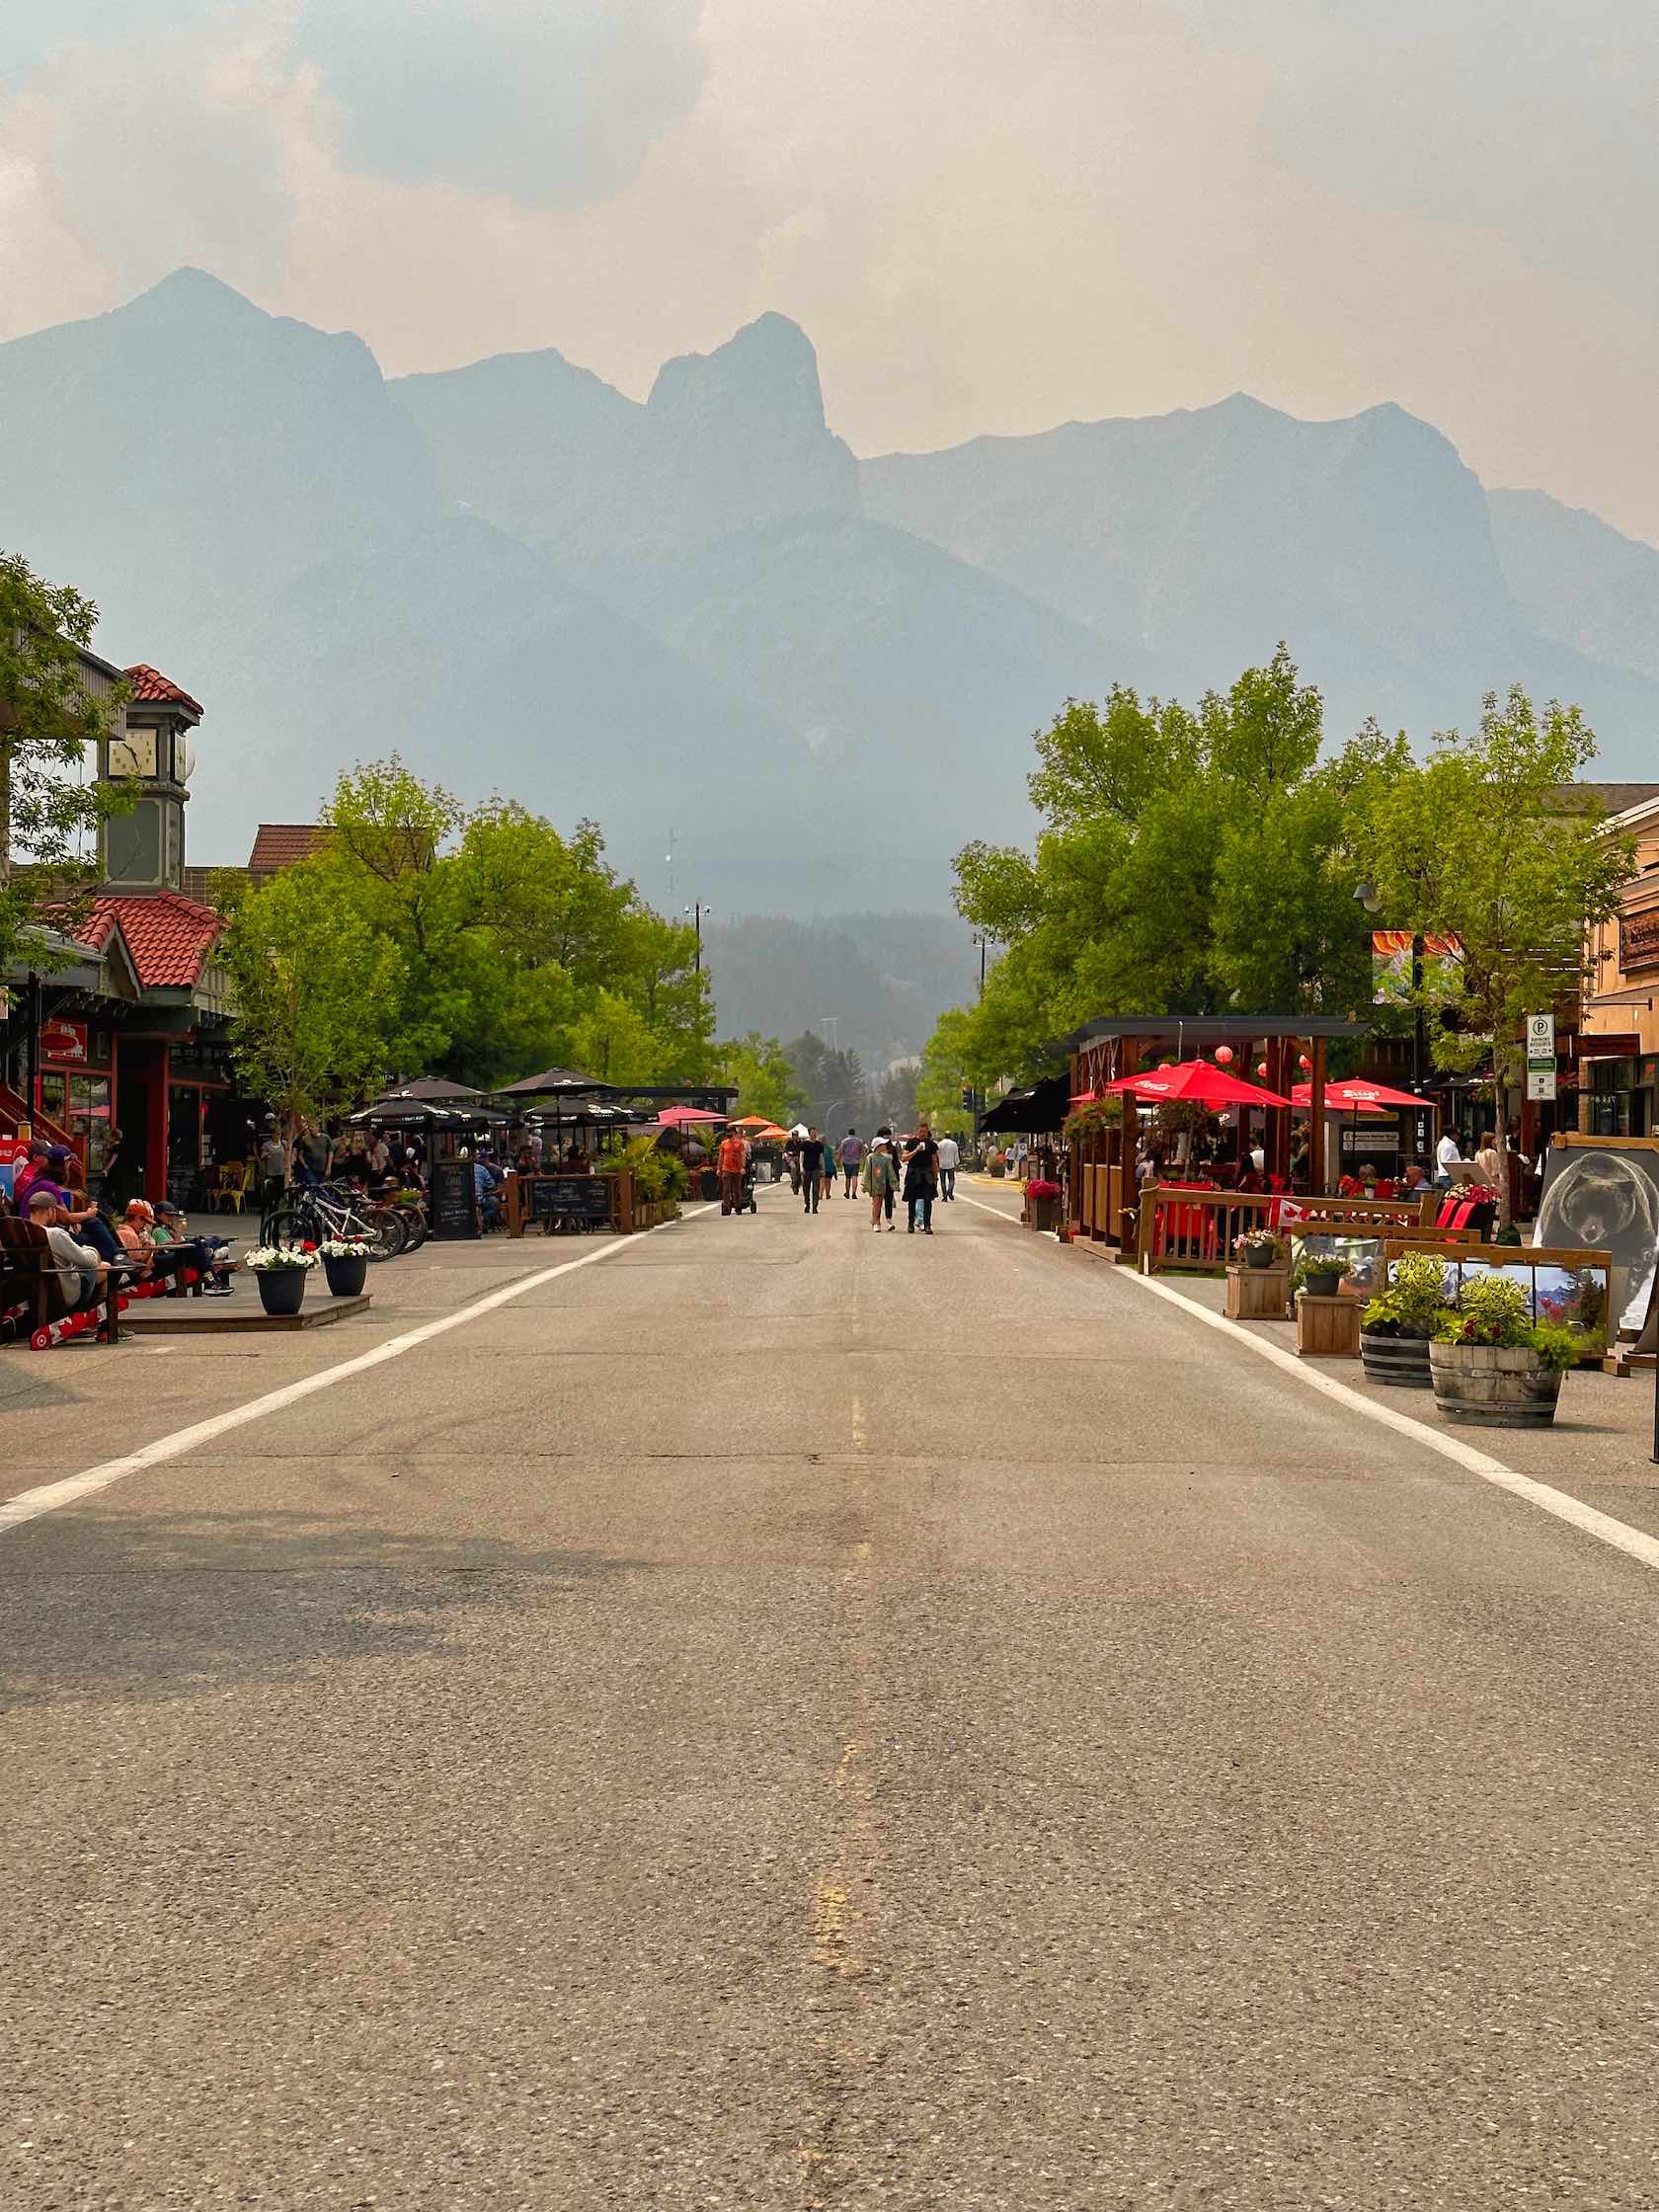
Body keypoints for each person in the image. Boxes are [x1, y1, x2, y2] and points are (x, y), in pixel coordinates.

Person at [26, 1188, 104, 1312]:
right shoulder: (55, 1234)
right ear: (51, 1211)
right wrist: (91, 1250)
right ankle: (92, 1322)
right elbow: (89, 1262)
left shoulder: (20, 1234)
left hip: (32, 1295)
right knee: (105, 1267)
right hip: (63, 1295)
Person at [903, 1121, 941, 1235]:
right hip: (914, 1173)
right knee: (912, 1200)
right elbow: (904, 1158)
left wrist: (936, 1176)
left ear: (927, 1131)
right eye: (921, 1131)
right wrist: (916, 1150)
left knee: (928, 1200)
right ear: (917, 1131)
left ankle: (928, 1225)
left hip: (927, 1174)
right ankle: (910, 1223)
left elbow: (934, 1161)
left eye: (925, 1131)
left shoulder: (932, 1144)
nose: (923, 1133)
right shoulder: (911, 1142)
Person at [860, 1137, 898, 1231]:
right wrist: (865, 1184)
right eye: (883, 1144)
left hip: (883, 1184)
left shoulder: (886, 1158)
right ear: (878, 1146)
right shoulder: (870, 1157)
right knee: (877, 1202)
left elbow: (890, 1172)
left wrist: (894, 1183)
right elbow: (867, 1171)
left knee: (879, 1203)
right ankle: (876, 1222)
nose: (885, 1146)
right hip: (874, 1183)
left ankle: (874, 1219)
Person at [716, 1127, 749, 1216]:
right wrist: (718, 1168)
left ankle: (738, 1207)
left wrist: (743, 1167)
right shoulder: (724, 1144)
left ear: (734, 1133)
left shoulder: (740, 1144)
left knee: (737, 1189)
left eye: (730, 1132)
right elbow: (721, 1157)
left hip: (737, 1170)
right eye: (728, 1132)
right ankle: (726, 1208)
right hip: (726, 1169)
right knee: (726, 1189)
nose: (729, 1134)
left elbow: (742, 1155)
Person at [259, 1118, 287, 1214]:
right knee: (270, 1193)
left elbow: (287, 1157)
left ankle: (277, 1209)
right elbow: (262, 1156)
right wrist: (266, 1155)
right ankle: (270, 1209)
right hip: (270, 1172)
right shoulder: (267, 1144)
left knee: (280, 1192)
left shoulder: (284, 1144)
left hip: (281, 1171)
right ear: (272, 1134)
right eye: (277, 1134)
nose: (279, 1136)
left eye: (280, 1134)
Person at [801, 1127, 825, 1215]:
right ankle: (807, 1204)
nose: (814, 1134)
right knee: (806, 1188)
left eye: (815, 1132)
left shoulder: (819, 1145)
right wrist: (801, 1167)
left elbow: (821, 1158)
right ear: (809, 1133)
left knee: (815, 1189)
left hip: (816, 1169)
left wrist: (823, 1168)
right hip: (806, 1169)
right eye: (813, 1132)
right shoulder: (804, 1144)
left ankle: (815, 1206)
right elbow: (801, 1156)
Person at [837, 1127, 865, 1198]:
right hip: (856, 1162)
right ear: (854, 1133)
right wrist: (861, 1157)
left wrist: (838, 1159)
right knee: (855, 1177)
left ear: (848, 1133)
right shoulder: (859, 1141)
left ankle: (847, 1192)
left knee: (848, 1178)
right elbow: (863, 1151)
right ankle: (854, 1193)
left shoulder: (844, 1141)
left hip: (846, 1161)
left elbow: (840, 1151)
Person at [1435, 1127, 1463, 1191]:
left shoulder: (1445, 1144)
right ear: (1452, 1134)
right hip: (1448, 1177)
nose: (1459, 1137)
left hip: (1447, 1177)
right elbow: (1447, 1163)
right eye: (1458, 1134)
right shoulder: (1448, 1146)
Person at [935, 1131, 960, 1202]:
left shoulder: (940, 1144)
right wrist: (957, 1163)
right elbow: (956, 1154)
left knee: (942, 1181)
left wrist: (937, 1162)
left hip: (942, 1165)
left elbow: (936, 1154)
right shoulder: (953, 1144)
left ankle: (945, 1196)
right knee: (951, 1179)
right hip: (950, 1164)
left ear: (944, 1136)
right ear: (950, 1136)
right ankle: (949, 1191)